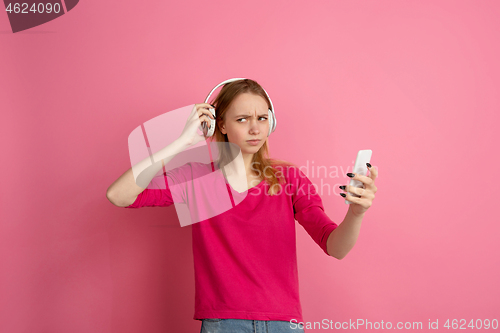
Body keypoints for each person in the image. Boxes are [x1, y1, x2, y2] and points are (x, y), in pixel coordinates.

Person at [106, 79, 378, 333]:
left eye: (262, 118)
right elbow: (120, 195)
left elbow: (336, 247)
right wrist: (182, 142)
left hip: (284, 324)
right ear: (220, 124)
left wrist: (356, 213)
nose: (255, 128)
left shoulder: (290, 178)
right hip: (224, 323)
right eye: (242, 119)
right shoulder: (196, 177)